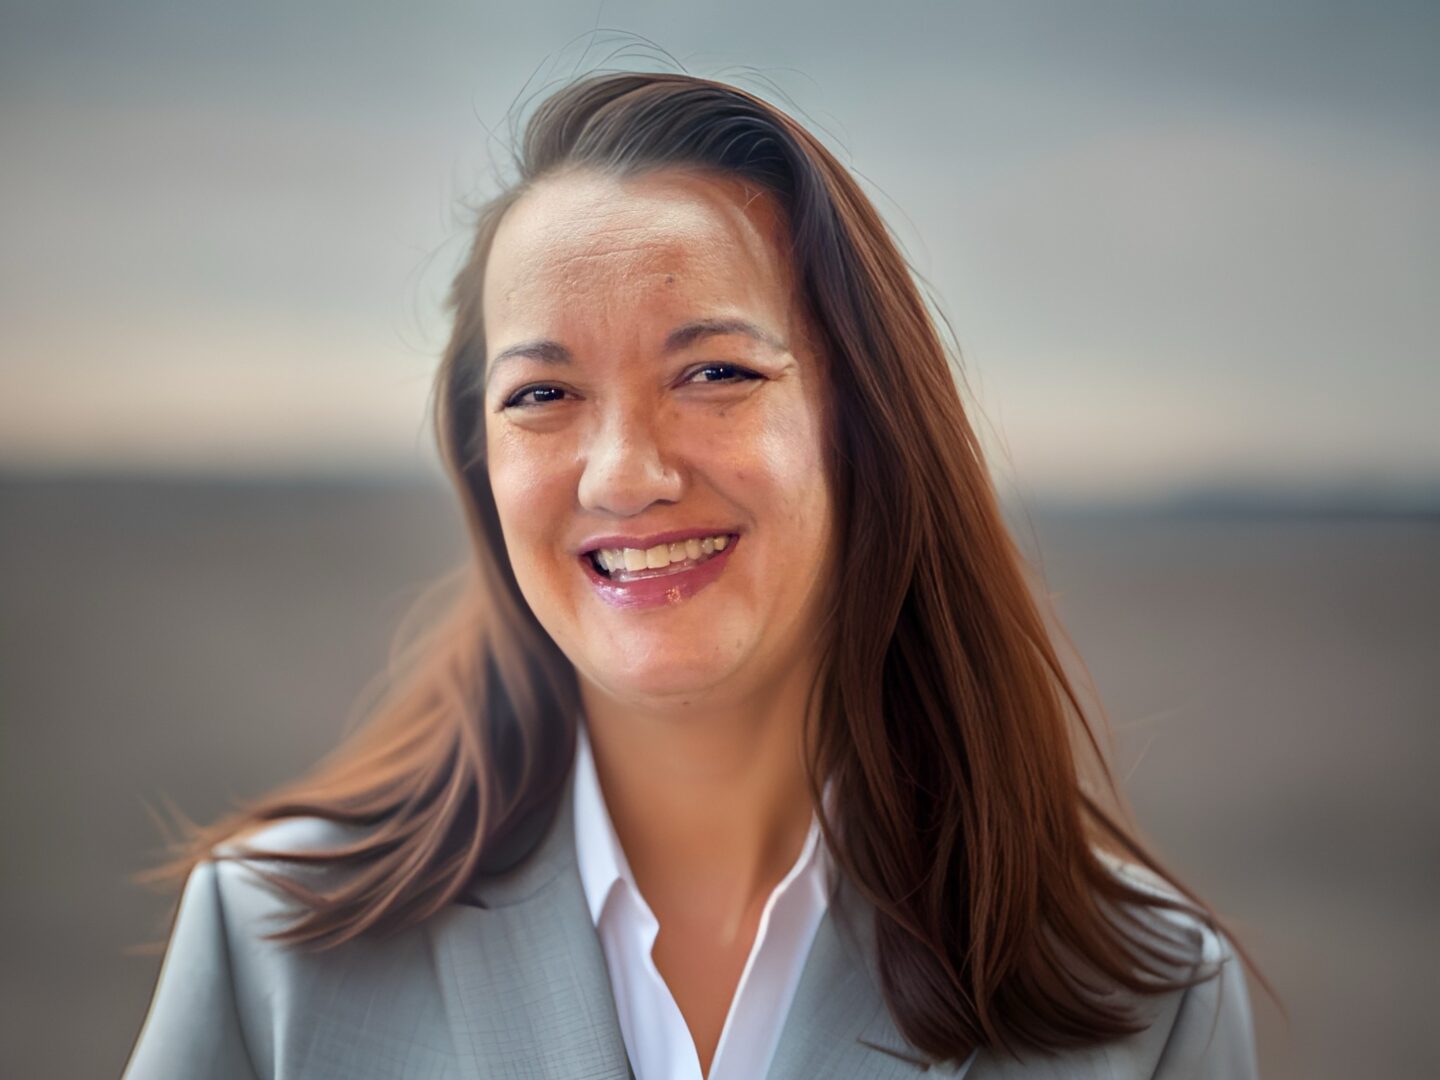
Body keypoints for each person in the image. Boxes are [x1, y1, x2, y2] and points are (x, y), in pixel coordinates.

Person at [123, 70, 1262, 1079]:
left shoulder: (1149, 1004)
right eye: (541, 394)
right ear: (481, 467)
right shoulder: (272, 940)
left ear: (862, 423)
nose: (624, 477)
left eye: (714, 371)